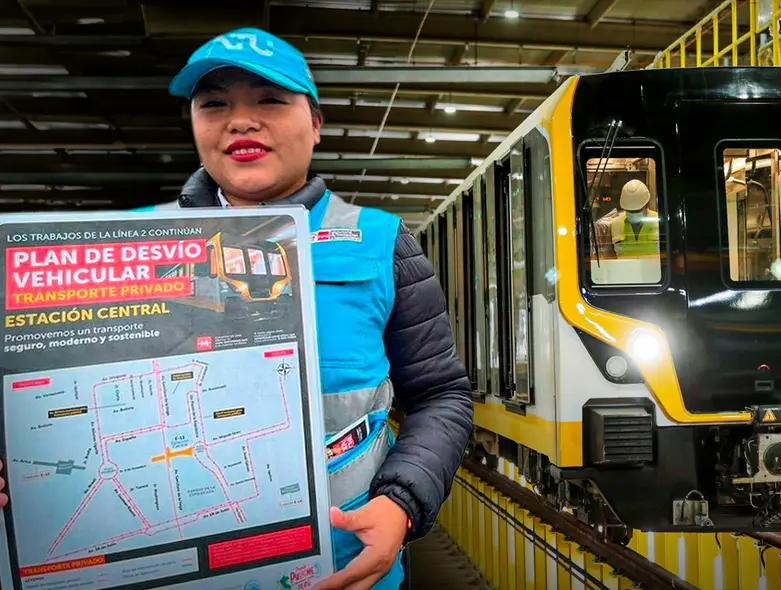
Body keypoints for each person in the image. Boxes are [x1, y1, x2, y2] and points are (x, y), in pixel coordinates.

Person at [0, 28, 474, 590]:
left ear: (315, 124)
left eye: (270, 100)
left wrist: (402, 503)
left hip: (346, 571)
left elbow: (442, 396)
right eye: (214, 104)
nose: (241, 121)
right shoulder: (125, 247)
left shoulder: (380, 242)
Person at [610, 179, 659, 257]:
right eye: (629, 211)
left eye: (638, 210)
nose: (633, 214)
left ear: (646, 204)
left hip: (653, 265)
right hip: (623, 265)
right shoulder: (616, 224)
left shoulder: (658, 221)